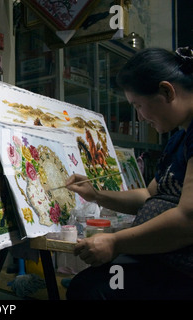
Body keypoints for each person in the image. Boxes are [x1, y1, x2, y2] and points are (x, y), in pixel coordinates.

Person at [65, 47, 193, 300]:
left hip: (182, 270)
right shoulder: (180, 137)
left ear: (167, 91)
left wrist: (116, 242)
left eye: (139, 105)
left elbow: (188, 219)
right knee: (87, 282)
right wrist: (96, 195)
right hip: (162, 257)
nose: (140, 116)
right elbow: (148, 194)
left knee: (92, 289)